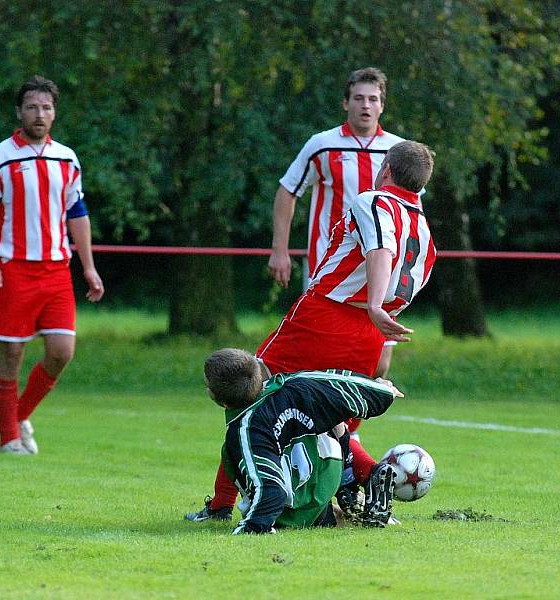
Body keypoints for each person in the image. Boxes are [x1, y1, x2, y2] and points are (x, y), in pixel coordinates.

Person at [186, 139, 436, 522]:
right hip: (370, 334)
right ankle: (368, 479)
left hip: (327, 316)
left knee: (245, 391)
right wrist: (379, 317)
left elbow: (380, 250)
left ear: (386, 169)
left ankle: (220, 505)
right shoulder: (423, 229)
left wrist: (371, 303)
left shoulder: (374, 201)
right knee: (336, 420)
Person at [0, 75, 104, 455]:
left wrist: (89, 267)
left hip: (56, 270)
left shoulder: (67, 157)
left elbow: (77, 211)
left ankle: (19, 416)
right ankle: (8, 439)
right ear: (19, 112)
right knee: (12, 354)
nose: (39, 114)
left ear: (54, 113)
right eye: (32, 106)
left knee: (62, 351)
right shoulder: (1, 156)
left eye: (46, 107)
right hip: (13, 269)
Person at [267, 66, 405, 380]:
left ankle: (347, 427)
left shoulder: (397, 151)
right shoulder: (322, 145)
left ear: (382, 105)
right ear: (346, 103)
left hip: (381, 269)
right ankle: (333, 427)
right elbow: (288, 190)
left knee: (378, 362)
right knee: (323, 350)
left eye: (373, 99)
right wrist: (280, 249)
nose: (365, 105)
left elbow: (412, 209)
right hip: (328, 269)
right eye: (358, 98)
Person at [204, 348, 404, 533]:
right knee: (331, 414)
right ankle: (348, 485)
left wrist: (253, 527)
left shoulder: (243, 431)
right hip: (326, 474)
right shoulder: (292, 384)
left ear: (214, 396)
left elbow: (272, 490)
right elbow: (342, 383)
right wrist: (382, 390)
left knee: (231, 454)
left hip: (290, 512)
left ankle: (335, 502)